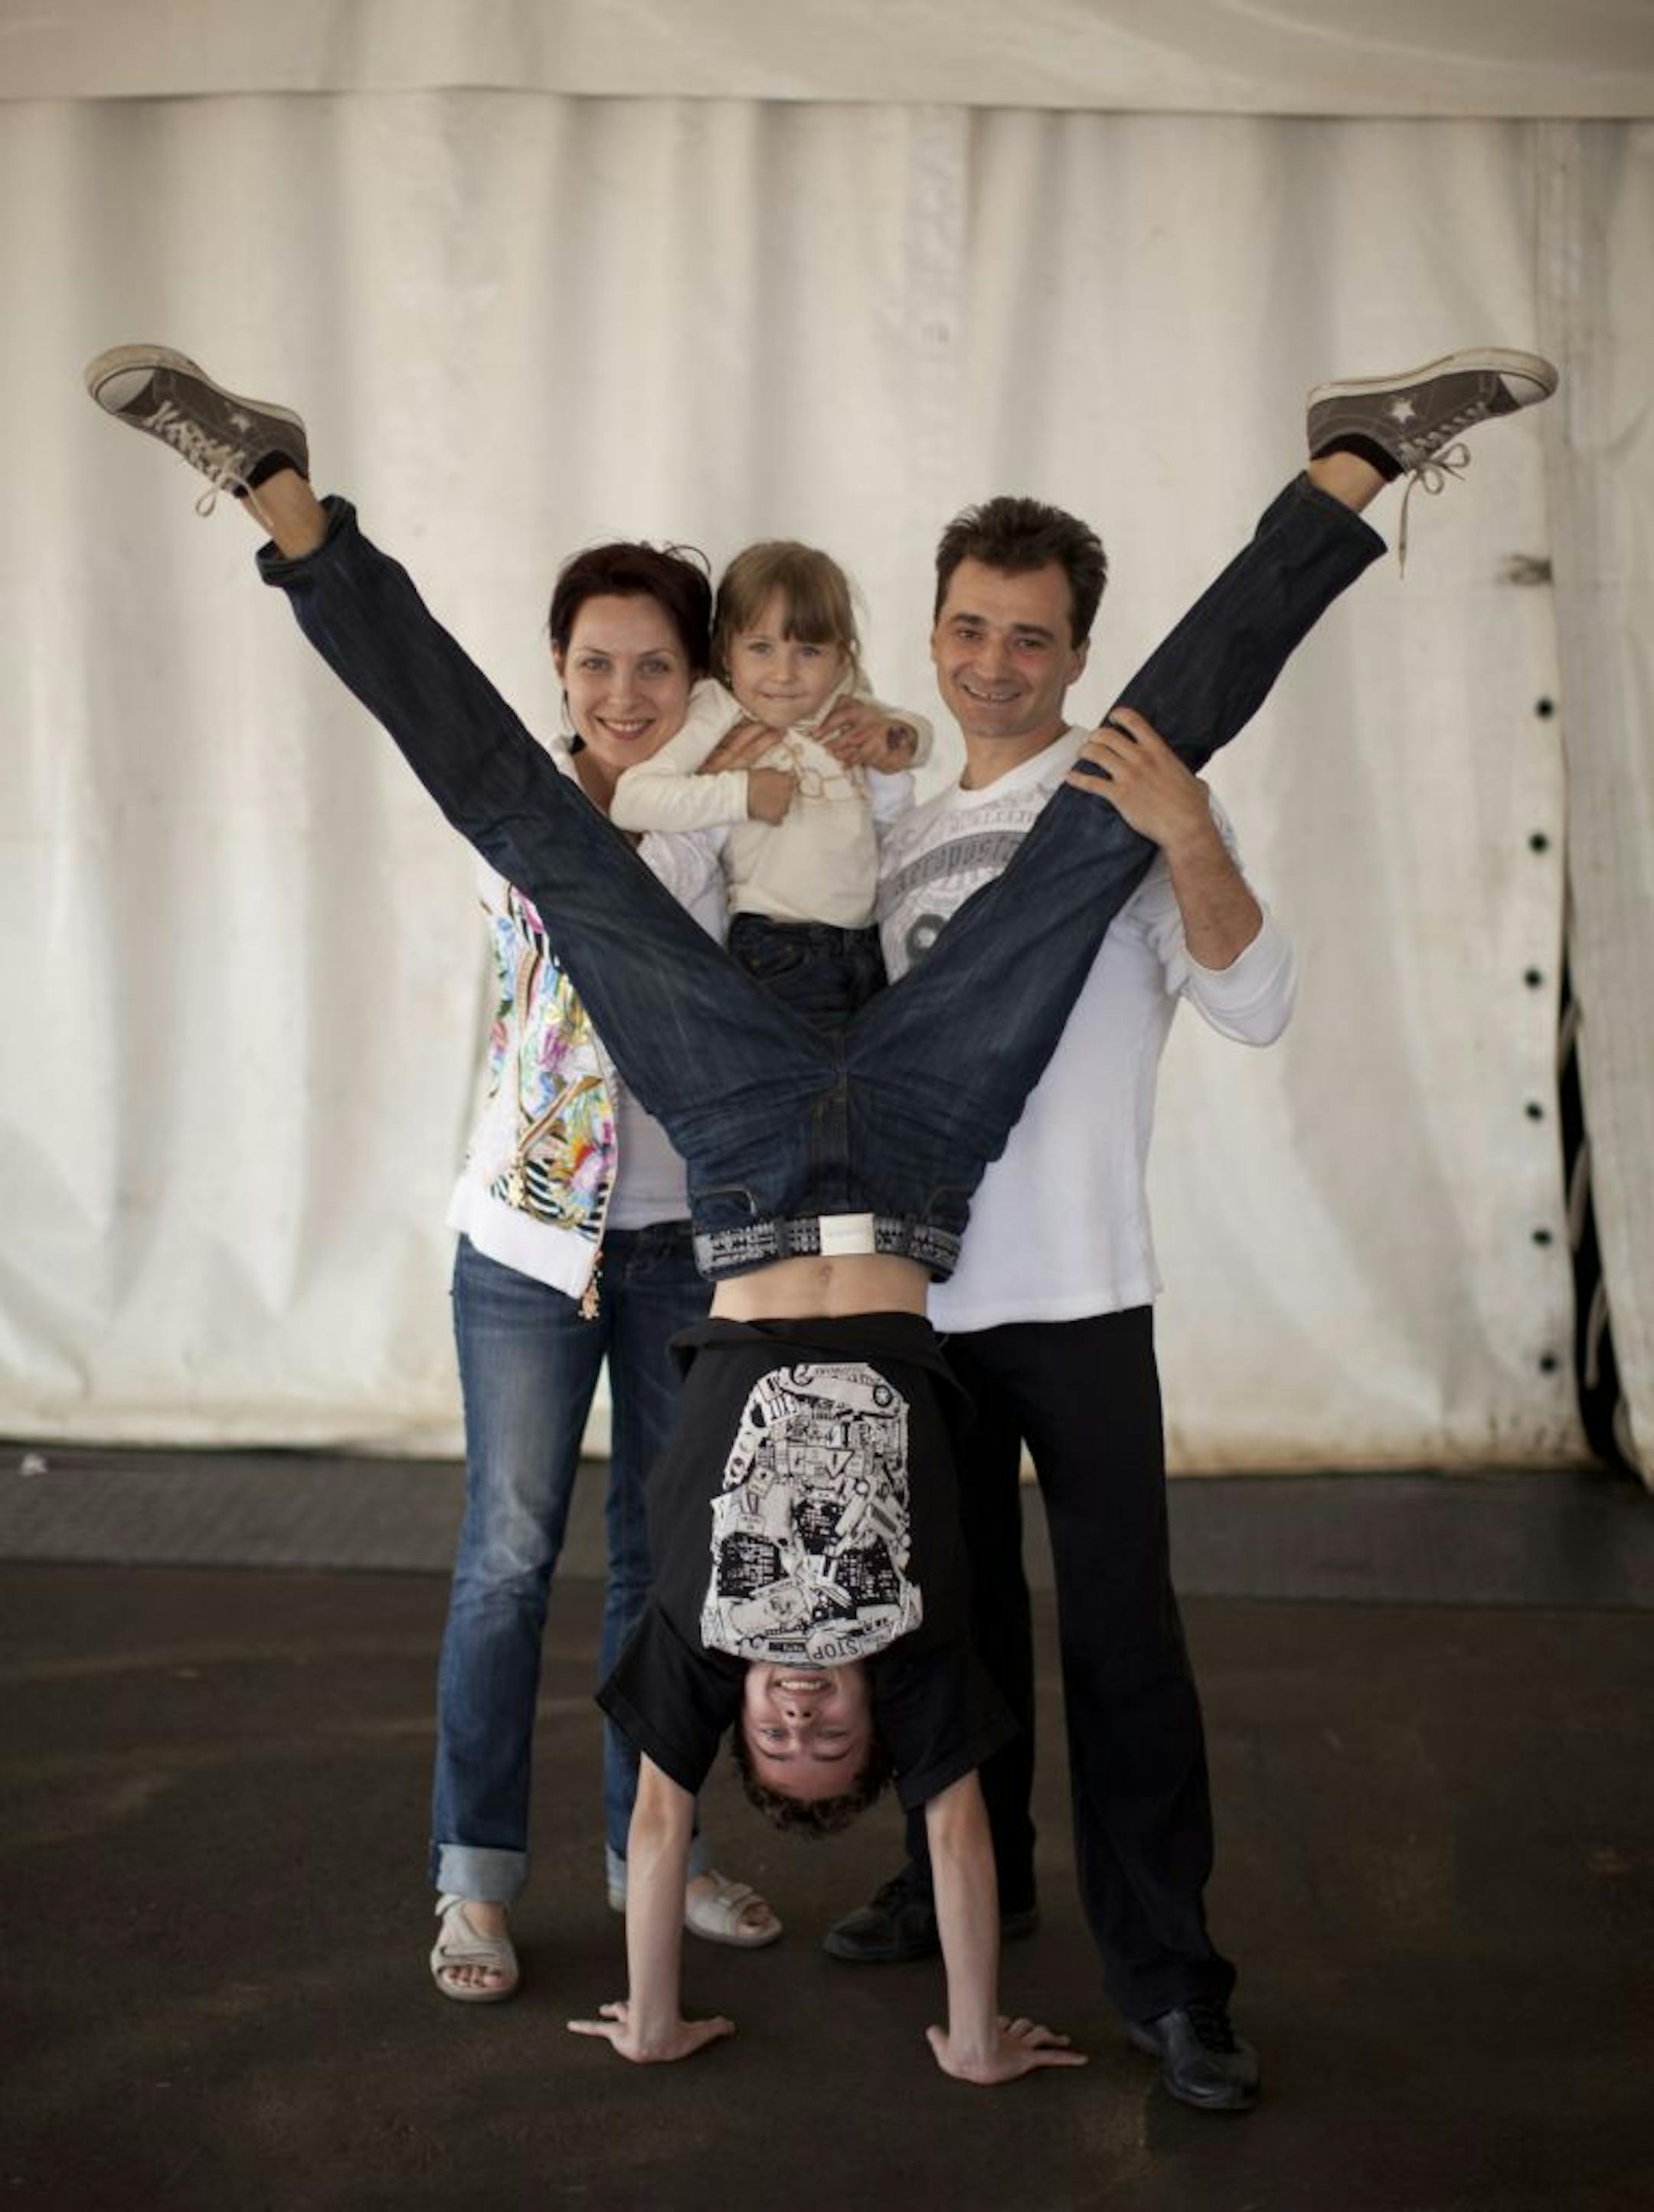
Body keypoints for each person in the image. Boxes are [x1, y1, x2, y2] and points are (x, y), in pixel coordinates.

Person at [83, 339, 1540, 2080]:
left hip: (752, 1127)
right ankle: (1351, 468)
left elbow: (649, 1836)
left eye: (775, 1737)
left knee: (525, 817)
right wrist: (976, 2037)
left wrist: (645, 2015)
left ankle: (282, 504)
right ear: (867, 1718)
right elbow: (935, 1810)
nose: (796, 1699)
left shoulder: (713, 1628)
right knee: (1135, 780)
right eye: (819, 1726)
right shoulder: (901, 1633)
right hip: (927, 1134)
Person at [822, 348, 1561, 2111]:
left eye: (1029, 635)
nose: (994, 659)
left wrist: (1195, 831)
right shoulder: (895, 819)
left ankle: (1170, 1973)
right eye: (969, 627)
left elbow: (1255, 1005)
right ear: (933, 636)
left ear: (1076, 654)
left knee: (1121, 1649)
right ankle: (956, 1888)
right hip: (912, 1290)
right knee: (947, 1628)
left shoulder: (1120, 798)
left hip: (1076, 1295)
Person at [431, 536, 783, 2004]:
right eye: (594, 662)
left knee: (663, 1567)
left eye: (656, 663)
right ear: (557, 671)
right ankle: (474, 1881)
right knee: (508, 1563)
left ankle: (656, 1850)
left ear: (695, 672)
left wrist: (837, 741)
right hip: (525, 1244)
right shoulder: (517, 805)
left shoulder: (733, 816)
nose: (623, 691)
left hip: (682, 1244)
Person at [610, 537, 929, 1032]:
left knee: (867, 1092)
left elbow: (916, 742)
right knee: (806, 1095)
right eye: (761, 648)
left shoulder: (843, 703)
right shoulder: (720, 709)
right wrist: (741, 793)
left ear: (842, 657)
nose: (784, 673)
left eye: (809, 650)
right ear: (727, 654)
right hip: (779, 950)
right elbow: (633, 800)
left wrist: (900, 738)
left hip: (870, 942)